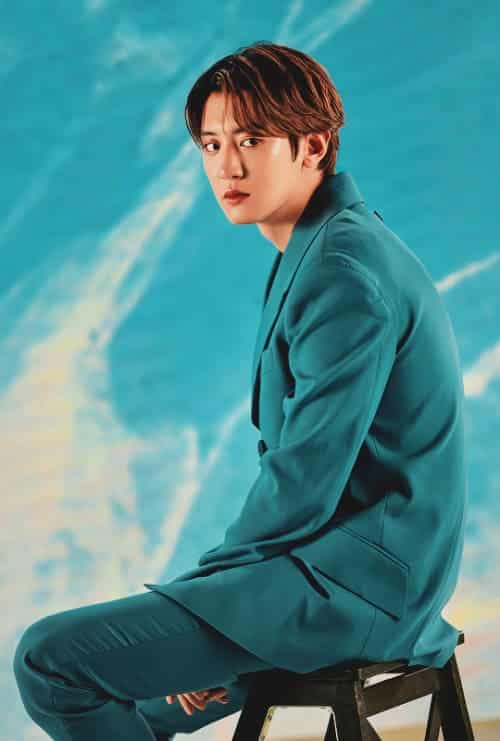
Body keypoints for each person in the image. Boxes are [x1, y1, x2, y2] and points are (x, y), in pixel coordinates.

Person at [13, 40, 468, 740]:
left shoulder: (342, 270)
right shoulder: (323, 246)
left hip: (357, 591)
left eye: (251, 140)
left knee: (50, 662)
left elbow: (303, 480)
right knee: (151, 708)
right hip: (346, 570)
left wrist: (209, 602)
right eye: (212, 143)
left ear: (313, 146)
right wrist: (214, 613)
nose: (227, 165)